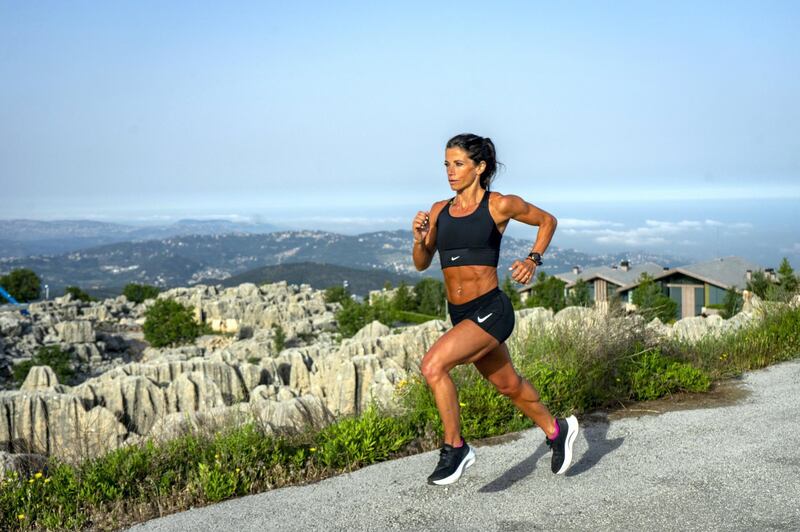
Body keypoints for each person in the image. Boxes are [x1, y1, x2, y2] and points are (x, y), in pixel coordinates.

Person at [411, 133, 579, 486]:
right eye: (447, 164)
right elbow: (422, 263)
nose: (450, 172)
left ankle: (455, 448)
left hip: (491, 310)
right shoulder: (440, 210)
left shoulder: (498, 205)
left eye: (458, 164)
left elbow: (547, 220)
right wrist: (418, 238)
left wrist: (533, 259)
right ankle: (556, 429)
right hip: (461, 314)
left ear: (480, 167)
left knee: (433, 365)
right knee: (509, 385)